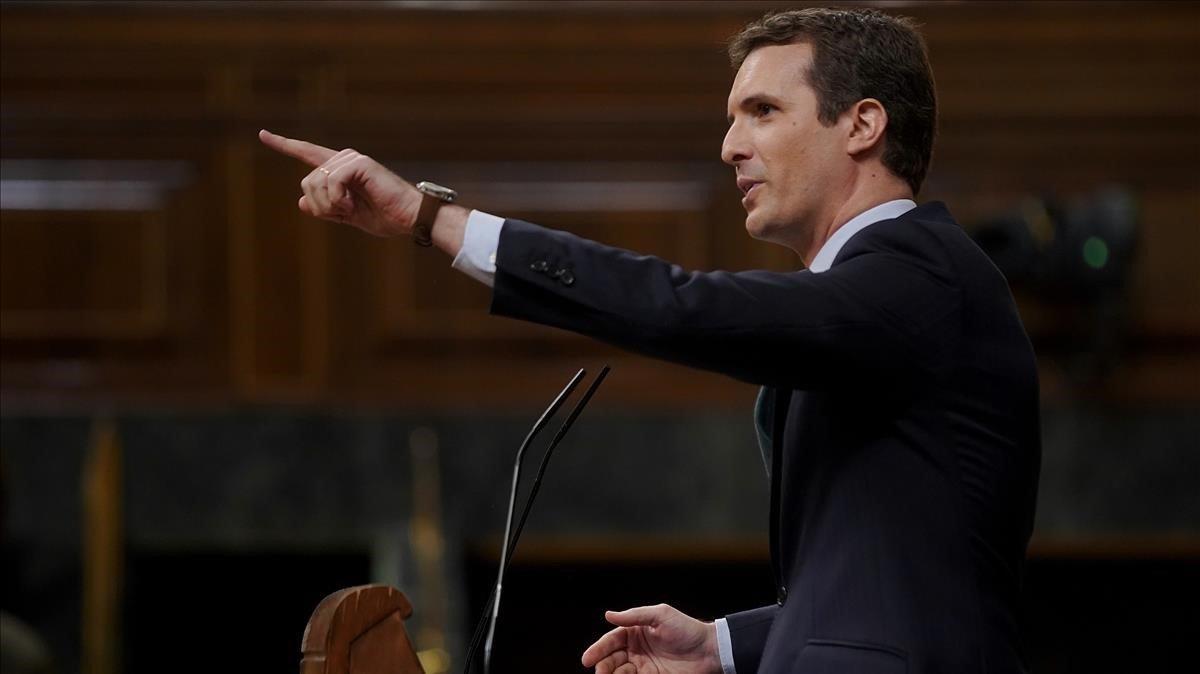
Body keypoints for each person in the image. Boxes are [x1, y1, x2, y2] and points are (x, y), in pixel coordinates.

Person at [260, 7, 1040, 673]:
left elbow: (683, 307)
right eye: (733, 118)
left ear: (863, 124)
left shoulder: (919, 271)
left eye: (762, 112)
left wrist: (430, 221)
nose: (731, 146)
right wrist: (723, 645)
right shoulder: (885, 297)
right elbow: (898, 571)